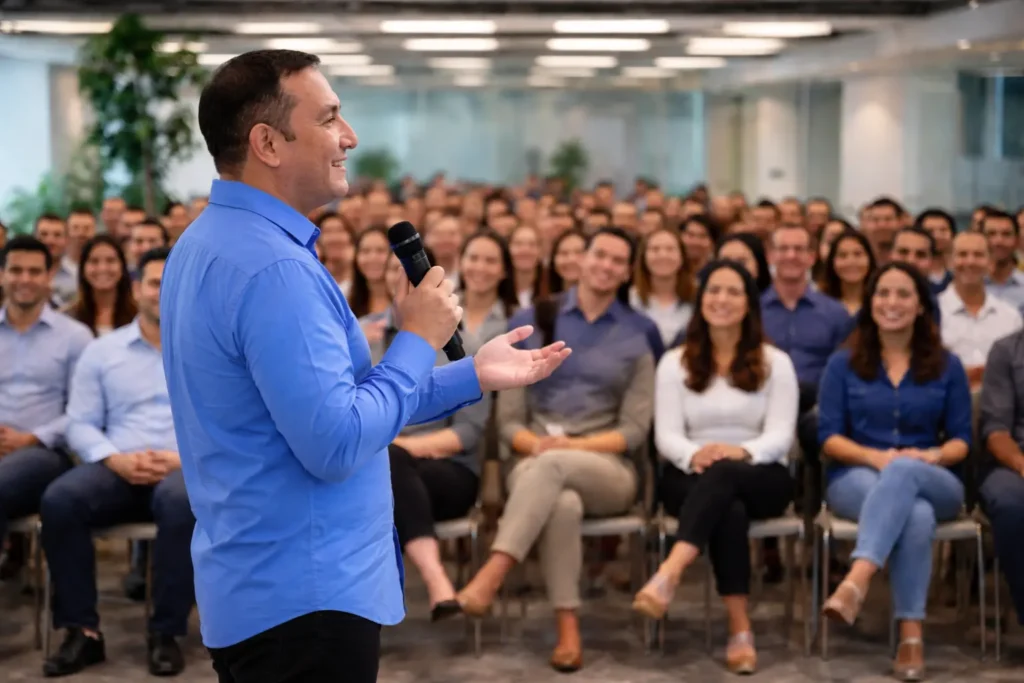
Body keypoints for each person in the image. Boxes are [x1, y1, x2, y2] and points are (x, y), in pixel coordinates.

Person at [159, 49, 570, 683]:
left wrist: (473, 374)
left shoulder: (205, 241)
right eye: (328, 119)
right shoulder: (276, 272)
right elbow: (338, 441)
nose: (349, 138)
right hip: (306, 592)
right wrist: (416, 337)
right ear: (267, 142)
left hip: (257, 579)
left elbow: (345, 400)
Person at [456, 227, 656, 673]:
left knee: (553, 467)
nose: (606, 265)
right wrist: (541, 446)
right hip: (532, 458)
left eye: (618, 260)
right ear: (580, 258)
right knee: (560, 502)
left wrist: (569, 446)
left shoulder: (639, 333)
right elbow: (508, 423)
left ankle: (491, 575)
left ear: (627, 272)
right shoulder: (533, 318)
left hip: (608, 466)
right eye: (599, 254)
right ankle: (568, 629)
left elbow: (635, 430)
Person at [632, 261, 798, 675]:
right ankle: (740, 631)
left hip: (761, 473)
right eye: (713, 291)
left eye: (732, 292)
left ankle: (670, 571)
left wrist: (736, 452)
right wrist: (694, 455)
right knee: (729, 508)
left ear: (749, 305)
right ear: (701, 300)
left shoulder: (776, 362)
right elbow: (666, 436)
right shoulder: (675, 362)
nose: (721, 300)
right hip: (690, 473)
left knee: (725, 477)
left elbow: (781, 435)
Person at [40, 248, 195, 678]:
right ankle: (81, 633)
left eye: (172, 283)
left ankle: (165, 633)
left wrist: (181, 460)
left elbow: (227, 426)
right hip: (118, 468)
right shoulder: (103, 352)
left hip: (183, 468)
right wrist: (115, 459)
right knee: (60, 500)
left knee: (183, 503)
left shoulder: (210, 351)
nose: (162, 292)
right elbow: (80, 423)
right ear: (136, 289)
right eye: (154, 282)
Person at [817, 262, 972, 681]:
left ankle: (858, 576)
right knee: (915, 515)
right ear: (870, 303)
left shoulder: (947, 365)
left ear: (921, 306)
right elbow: (829, 437)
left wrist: (929, 457)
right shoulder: (842, 364)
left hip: (933, 476)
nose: (892, 303)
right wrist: (876, 458)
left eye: (903, 294)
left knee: (907, 475)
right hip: (856, 476)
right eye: (883, 293)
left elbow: (962, 439)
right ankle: (910, 636)